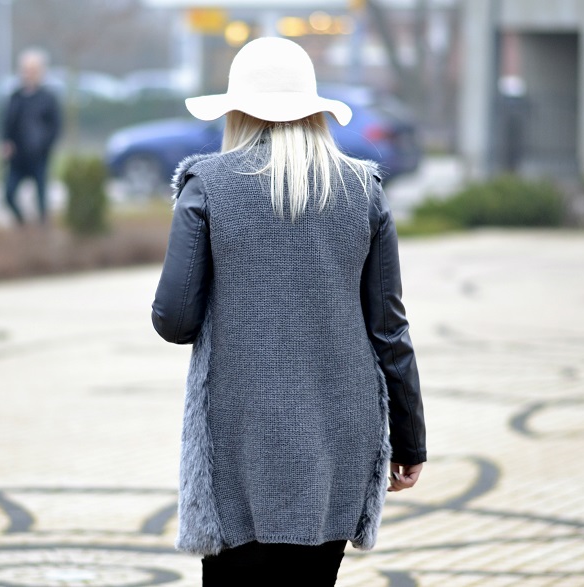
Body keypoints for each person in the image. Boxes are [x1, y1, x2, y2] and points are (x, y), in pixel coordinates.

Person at [151, 37, 426, 586]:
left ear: (237, 111)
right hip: (341, 433)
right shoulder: (364, 189)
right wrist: (410, 439)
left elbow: (174, 321)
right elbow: (389, 329)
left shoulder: (207, 187)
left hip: (239, 433)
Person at [0, 48, 62, 225]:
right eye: (25, 70)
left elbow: (56, 126)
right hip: (17, 158)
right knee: (8, 195)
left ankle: (42, 232)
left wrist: (45, 146)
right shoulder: (15, 97)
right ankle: (23, 225)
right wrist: (5, 143)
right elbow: (5, 124)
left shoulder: (48, 98)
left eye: (32, 70)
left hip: (39, 157)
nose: (28, 74)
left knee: (41, 201)